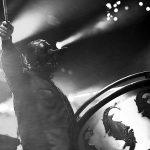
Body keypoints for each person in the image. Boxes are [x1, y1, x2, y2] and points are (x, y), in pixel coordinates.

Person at [0, 21, 74, 150]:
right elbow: (12, 65)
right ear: (35, 59)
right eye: (47, 55)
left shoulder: (53, 87)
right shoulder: (23, 81)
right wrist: (7, 42)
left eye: (53, 55)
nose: (52, 59)